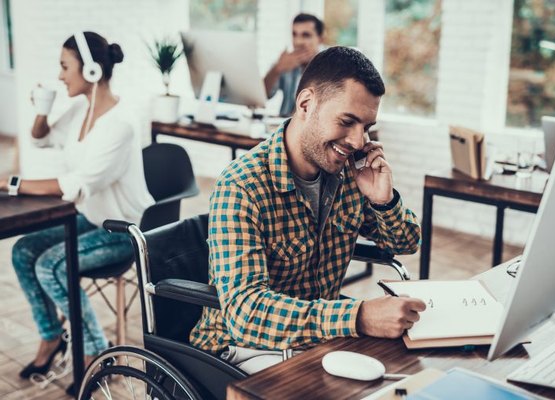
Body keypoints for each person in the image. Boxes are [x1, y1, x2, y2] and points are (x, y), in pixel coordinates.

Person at [190, 46, 426, 374]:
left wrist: (381, 201)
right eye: (347, 121)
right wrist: (358, 317)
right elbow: (247, 314)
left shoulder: (348, 173)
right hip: (243, 346)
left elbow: (406, 244)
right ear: (305, 104)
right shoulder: (242, 185)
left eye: (367, 126)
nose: (359, 141)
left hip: (313, 339)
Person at [0, 32, 154, 392]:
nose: (60, 75)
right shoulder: (80, 109)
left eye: (64, 67)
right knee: (24, 251)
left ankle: (97, 355)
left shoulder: (119, 125)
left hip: (121, 230)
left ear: (92, 70)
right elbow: (41, 138)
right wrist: (43, 105)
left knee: (50, 264)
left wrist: (11, 182)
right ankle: (52, 336)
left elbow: (74, 184)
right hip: (90, 219)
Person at [264, 13, 324, 117]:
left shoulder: (329, 67)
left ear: (320, 39)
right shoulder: (287, 62)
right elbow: (264, 95)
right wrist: (277, 69)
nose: (298, 42)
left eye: (306, 35)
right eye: (294, 34)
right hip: (283, 124)